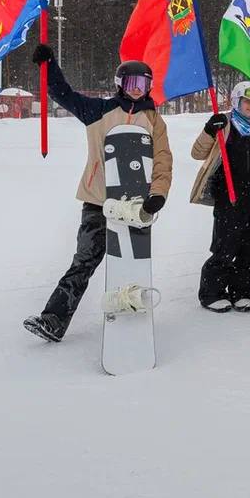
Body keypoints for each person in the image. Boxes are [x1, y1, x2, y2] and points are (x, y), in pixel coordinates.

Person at [22, 45, 173, 342]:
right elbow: (64, 94)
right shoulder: (98, 111)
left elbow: (163, 159)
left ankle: (133, 316)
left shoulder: (154, 120)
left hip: (135, 206)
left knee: (131, 261)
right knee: (84, 261)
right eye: (132, 83)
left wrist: (158, 194)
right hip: (97, 200)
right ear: (120, 84)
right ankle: (53, 320)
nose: (137, 89)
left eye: (143, 84)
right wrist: (49, 65)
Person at [190, 81, 250, 312]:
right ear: (236, 101)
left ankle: (241, 292)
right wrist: (209, 130)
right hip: (229, 195)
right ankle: (212, 293)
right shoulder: (225, 125)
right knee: (225, 245)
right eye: (248, 102)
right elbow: (197, 153)